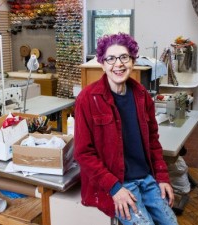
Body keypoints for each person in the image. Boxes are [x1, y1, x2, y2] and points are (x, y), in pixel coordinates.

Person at [74, 33, 178, 225]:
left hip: (147, 179)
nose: (118, 64)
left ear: (132, 61)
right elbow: (83, 153)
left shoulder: (142, 95)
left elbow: (153, 141)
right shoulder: (88, 99)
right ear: (102, 63)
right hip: (118, 182)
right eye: (111, 58)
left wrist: (162, 177)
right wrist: (114, 188)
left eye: (124, 57)